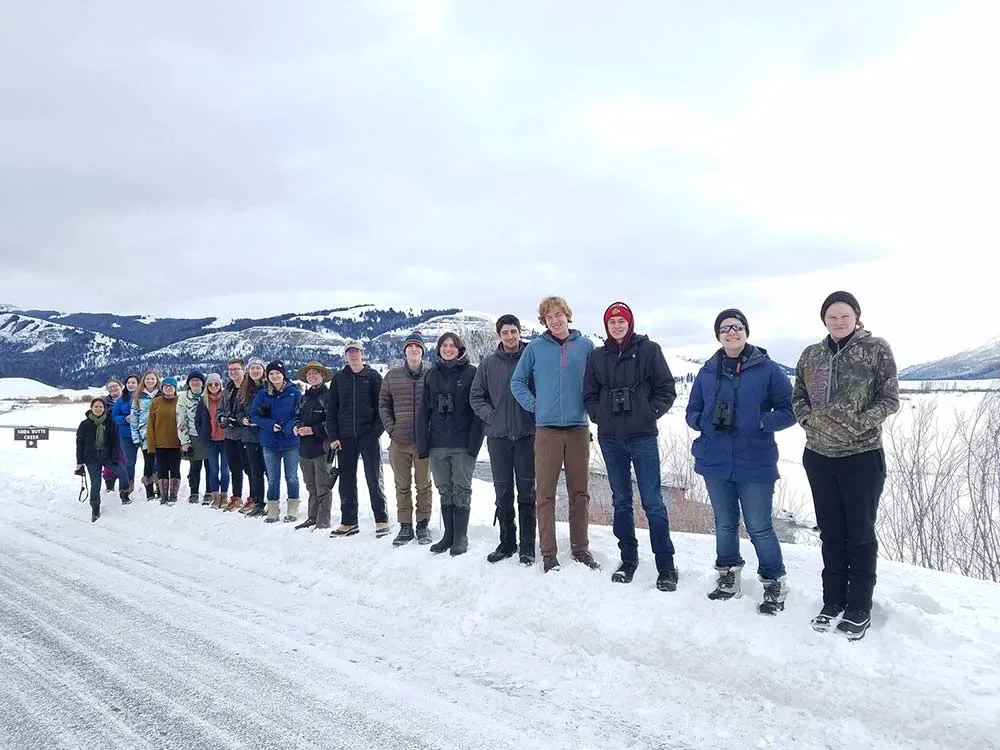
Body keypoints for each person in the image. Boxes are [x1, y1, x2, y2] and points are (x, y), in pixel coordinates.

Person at [793, 291, 899, 640]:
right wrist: (808, 421)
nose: (838, 322)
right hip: (819, 456)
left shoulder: (875, 349)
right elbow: (798, 396)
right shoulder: (812, 355)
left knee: (860, 533)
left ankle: (859, 607)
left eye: (844, 315)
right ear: (824, 319)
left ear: (856, 316)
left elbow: (889, 398)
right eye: (831, 316)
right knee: (831, 532)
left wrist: (860, 423)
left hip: (861, 455)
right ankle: (833, 600)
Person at [686, 309, 796, 612]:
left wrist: (761, 422)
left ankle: (774, 582)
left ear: (746, 331)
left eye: (736, 327)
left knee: (759, 526)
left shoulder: (768, 370)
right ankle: (728, 576)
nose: (731, 332)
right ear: (718, 335)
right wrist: (702, 421)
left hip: (755, 460)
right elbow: (692, 410)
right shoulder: (708, 370)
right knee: (724, 523)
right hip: (715, 458)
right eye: (725, 328)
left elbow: (790, 409)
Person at [584, 302, 679, 591]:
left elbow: (667, 389)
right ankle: (628, 559)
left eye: (621, 321)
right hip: (611, 437)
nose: (616, 326)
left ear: (630, 323)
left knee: (653, 502)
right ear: (606, 326)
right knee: (621, 501)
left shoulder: (649, 351)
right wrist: (598, 414)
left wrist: (648, 412)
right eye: (611, 322)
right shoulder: (598, 356)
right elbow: (588, 393)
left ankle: (665, 565)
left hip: (643, 436)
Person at [511, 295, 598, 573]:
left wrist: (591, 406)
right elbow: (517, 381)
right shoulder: (535, 349)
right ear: (544, 321)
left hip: (578, 429)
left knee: (580, 492)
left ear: (567, 315)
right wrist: (535, 405)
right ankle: (548, 553)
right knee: (545, 494)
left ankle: (580, 549)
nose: (555, 320)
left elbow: (597, 382)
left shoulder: (586, 346)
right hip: (546, 430)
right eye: (549, 317)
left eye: (559, 314)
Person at [470, 315, 537, 565]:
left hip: (527, 435)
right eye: (505, 332)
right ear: (499, 335)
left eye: (513, 331)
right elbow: (476, 396)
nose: (510, 336)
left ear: (519, 332)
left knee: (527, 491)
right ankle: (507, 542)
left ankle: (528, 546)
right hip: (498, 437)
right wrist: (492, 416)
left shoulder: (531, 358)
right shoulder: (488, 364)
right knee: (503, 490)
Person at [417, 332, 485, 556]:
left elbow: (478, 411)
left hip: (463, 442)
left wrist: (474, 445)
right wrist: (423, 443)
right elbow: (423, 411)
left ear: (460, 349)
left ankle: (460, 536)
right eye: (444, 345)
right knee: (444, 489)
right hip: (438, 443)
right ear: (439, 349)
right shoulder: (431, 375)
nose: (448, 349)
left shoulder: (472, 373)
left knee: (461, 489)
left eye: (452, 346)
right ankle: (448, 535)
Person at [326, 341, 389, 538]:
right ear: (345, 355)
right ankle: (348, 522)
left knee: (373, 478)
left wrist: (375, 432)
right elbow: (332, 410)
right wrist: (334, 436)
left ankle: (381, 519)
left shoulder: (372, 377)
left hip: (368, 435)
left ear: (362, 354)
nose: (353, 355)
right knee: (346, 481)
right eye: (349, 352)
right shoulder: (339, 378)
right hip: (345, 437)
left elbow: (382, 406)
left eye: (356, 351)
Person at [379, 331, 434, 546]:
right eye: (410, 347)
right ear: (405, 351)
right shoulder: (392, 376)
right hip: (399, 441)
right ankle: (405, 525)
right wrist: (392, 429)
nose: (414, 350)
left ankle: (422, 524)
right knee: (401, 485)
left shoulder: (431, 374)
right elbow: (383, 404)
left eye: (417, 347)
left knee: (424, 485)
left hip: (423, 442)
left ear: (422, 351)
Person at [250, 360, 302, 523]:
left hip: (290, 442)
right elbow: (254, 414)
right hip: (270, 442)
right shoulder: (263, 394)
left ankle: (293, 507)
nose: (274, 376)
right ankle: (273, 509)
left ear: (283, 375)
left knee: (291, 477)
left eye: (277, 373)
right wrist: (270, 425)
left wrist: (286, 428)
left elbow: (299, 414)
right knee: (273, 478)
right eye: (271, 373)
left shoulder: (294, 393)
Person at [292, 361, 333, 530]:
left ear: (322, 376)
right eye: (309, 374)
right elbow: (296, 416)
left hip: (322, 448)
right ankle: (312, 516)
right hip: (304, 448)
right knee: (310, 485)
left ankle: (323, 521)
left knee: (323, 485)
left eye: (315, 373)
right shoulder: (304, 398)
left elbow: (332, 422)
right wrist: (295, 426)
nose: (312, 376)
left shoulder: (329, 396)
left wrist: (313, 430)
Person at [76, 397, 124, 522]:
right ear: (91, 408)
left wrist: (115, 457)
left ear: (105, 409)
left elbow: (116, 441)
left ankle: (124, 495)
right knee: (95, 484)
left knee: (123, 472)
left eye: (101, 407)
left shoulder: (111, 423)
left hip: (107, 456)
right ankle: (95, 507)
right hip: (91, 458)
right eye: (96, 406)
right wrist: (79, 462)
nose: (98, 409)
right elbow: (80, 444)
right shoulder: (84, 424)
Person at [236, 358, 267, 516]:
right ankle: (258, 502)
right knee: (255, 472)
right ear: (248, 371)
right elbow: (239, 410)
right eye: (252, 368)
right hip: (249, 436)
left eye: (258, 368)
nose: (255, 371)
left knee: (270, 471)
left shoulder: (269, 387)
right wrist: (243, 420)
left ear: (263, 370)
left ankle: (273, 501)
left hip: (266, 435)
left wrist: (262, 419)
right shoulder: (244, 388)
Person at [197, 373, 231, 508]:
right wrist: (202, 434)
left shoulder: (226, 398)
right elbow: (198, 420)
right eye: (210, 384)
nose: (213, 386)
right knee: (213, 469)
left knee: (225, 469)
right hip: (211, 439)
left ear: (220, 385)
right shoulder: (204, 400)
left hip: (225, 438)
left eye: (216, 384)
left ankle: (224, 495)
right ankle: (215, 495)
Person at [147, 377, 182, 503]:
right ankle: (163, 495)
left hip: (176, 442)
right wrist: (151, 444)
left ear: (175, 388)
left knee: (175, 469)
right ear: (161, 388)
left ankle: (173, 494)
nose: (168, 388)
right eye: (165, 386)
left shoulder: (180, 401)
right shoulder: (155, 402)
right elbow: (150, 424)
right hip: (160, 443)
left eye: (171, 386)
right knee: (161, 469)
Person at [219, 359, 249, 510]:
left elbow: (248, 411)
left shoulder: (248, 388)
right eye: (230, 369)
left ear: (244, 370)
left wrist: (236, 420)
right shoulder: (228, 389)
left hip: (245, 435)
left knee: (249, 468)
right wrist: (221, 419)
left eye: (236, 369)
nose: (233, 372)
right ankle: (236, 497)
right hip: (229, 434)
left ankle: (254, 497)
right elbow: (220, 409)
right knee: (234, 468)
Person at [176, 371, 208, 503]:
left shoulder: (207, 395)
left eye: (198, 380)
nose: (195, 383)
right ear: (188, 383)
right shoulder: (183, 397)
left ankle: (210, 491)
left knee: (210, 466)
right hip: (193, 435)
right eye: (192, 380)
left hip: (208, 435)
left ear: (202, 382)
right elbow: (181, 419)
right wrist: (184, 441)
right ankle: (194, 491)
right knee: (195, 466)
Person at [130, 370, 161, 500]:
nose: (150, 381)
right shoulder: (139, 396)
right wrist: (136, 437)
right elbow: (134, 418)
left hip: (161, 434)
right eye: (147, 379)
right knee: (148, 463)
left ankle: (160, 488)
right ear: (144, 381)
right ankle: (149, 491)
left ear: (157, 380)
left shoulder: (162, 394)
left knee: (160, 463)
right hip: (145, 435)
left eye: (152, 379)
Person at [112, 374, 140, 498]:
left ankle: (154, 485)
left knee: (153, 461)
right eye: (128, 382)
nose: (131, 385)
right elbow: (114, 416)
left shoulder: (144, 398)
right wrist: (124, 419)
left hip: (143, 434)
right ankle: (128, 484)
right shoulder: (121, 400)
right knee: (129, 462)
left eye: (133, 382)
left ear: (139, 384)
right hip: (126, 435)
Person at [102, 378, 130, 500]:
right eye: (110, 387)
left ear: (121, 386)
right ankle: (109, 483)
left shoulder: (127, 399)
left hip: (124, 433)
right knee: (109, 458)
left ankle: (125, 484)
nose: (113, 389)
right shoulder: (104, 402)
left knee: (124, 458)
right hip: (108, 434)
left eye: (115, 386)